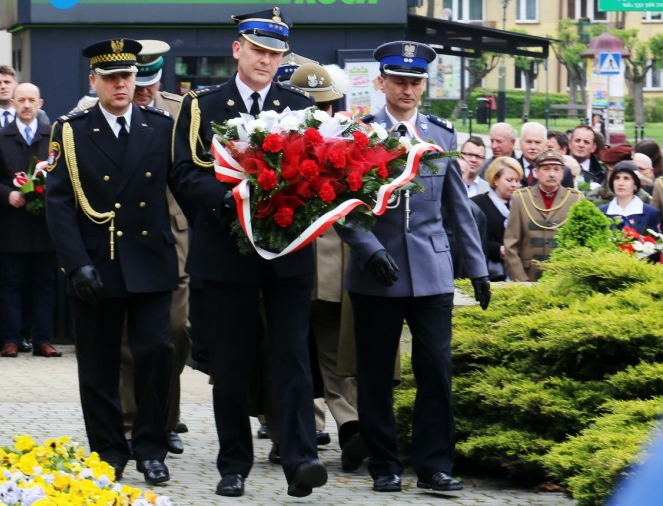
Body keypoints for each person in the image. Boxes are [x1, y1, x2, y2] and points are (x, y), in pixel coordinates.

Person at [171, 7, 328, 498]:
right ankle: (233, 464)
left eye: (274, 54)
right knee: (231, 365)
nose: (266, 60)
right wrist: (225, 200)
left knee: (292, 359)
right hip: (227, 250)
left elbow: (321, 172)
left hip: (288, 250)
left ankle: (300, 459)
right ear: (237, 49)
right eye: (258, 50)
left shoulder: (299, 106)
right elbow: (183, 172)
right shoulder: (202, 106)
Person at [337, 40, 490, 494]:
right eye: (399, 81)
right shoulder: (359, 133)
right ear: (381, 82)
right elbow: (342, 205)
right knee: (375, 374)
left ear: (424, 85)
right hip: (376, 270)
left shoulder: (440, 133)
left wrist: (477, 267)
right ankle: (383, 464)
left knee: (436, 370)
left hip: (431, 270)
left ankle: (434, 465)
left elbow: (457, 206)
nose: (407, 89)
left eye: (415, 82)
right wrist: (368, 248)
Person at [45, 38, 180, 486]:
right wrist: (75, 263)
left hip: (150, 259)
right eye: (111, 77)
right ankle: (108, 450)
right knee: (98, 363)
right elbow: (58, 203)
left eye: (127, 76)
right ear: (94, 81)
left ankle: (151, 448)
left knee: (156, 353)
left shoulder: (159, 126)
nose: (121, 84)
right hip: (98, 261)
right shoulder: (71, 131)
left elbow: (183, 186)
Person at [289, 61, 367, 472]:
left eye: (323, 105)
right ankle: (304, 429)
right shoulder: (273, 139)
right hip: (299, 263)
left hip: (322, 263)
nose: (319, 113)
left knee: (325, 351)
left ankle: (344, 428)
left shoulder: (349, 139)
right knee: (298, 351)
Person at [117, 39, 192, 455]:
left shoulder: (180, 112)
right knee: (129, 336)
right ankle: (131, 422)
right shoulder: (104, 112)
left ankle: (166, 417)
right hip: (125, 236)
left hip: (172, 236)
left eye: (150, 84)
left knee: (174, 331)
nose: (143, 92)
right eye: (137, 83)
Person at [0, 83, 60, 358]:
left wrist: (46, 191)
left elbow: (63, 176)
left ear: (40, 103)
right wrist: (7, 194)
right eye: (21, 100)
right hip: (12, 223)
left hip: (44, 224)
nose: (27, 105)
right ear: (13, 103)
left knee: (44, 283)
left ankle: (42, 339)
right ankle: (11, 339)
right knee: (10, 283)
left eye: (31, 100)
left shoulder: (53, 136)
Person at [504, 150, 583, 282]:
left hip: (562, 279)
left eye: (556, 169)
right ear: (535, 172)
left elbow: (580, 245)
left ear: (562, 173)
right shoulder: (521, 198)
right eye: (546, 169)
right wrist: (521, 281)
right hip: (528, 276)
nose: (551, 174)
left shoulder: (575, 199)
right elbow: (510, 245)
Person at [471, 157, 523, 281]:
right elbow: (471, 238)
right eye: (509, 180)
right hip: (488, 271)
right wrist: (497, 249)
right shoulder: (477, 204)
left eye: (517, 180)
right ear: (495, 180)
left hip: (518, 271)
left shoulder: (523, 204)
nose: (514, 185)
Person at [599, 162, 661, 235]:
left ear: (635, 185)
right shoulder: (601, 212)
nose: (620, 183)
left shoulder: (651, 213)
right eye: (617, 178)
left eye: (626, 178)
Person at [518, 122, 574, 189]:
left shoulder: (564, 171)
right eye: (528, 142)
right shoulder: (511, 168)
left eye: (538, 142)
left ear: (546, 144)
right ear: (520, 143)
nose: (533, 147)